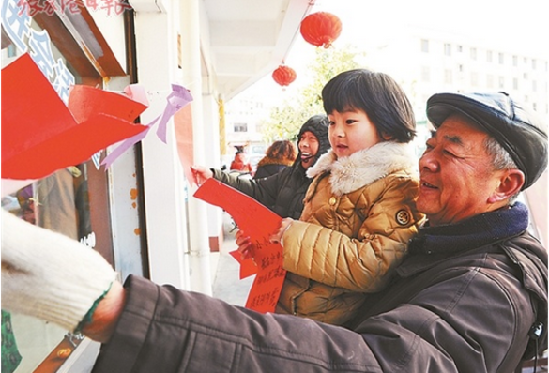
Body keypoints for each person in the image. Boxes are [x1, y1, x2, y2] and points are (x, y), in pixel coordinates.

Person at [2, 90, 547, 372]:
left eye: (449, 150)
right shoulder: (436, 236)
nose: (426, 161)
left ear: (505, 184)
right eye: (431, 143)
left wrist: (122, 312)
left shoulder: (486, 287)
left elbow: (377, 364)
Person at [237, 70, 424, 325]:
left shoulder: (397, 184)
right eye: (332, 121)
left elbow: (376, 265)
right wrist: (267, 244)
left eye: (350, 122)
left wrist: (290, 237)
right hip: (286, 308)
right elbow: (305, 246)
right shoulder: (328, 172)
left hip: (330, 328)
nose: (336, 132)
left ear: (387, 128)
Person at [191, 114, 330, 219]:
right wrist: (214, 176)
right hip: (280, 255)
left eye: (312, 139)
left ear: (326, 146)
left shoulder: (335, 184)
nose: (303, 144)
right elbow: (255, 190)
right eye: (302, 138)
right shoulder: (288, 175)